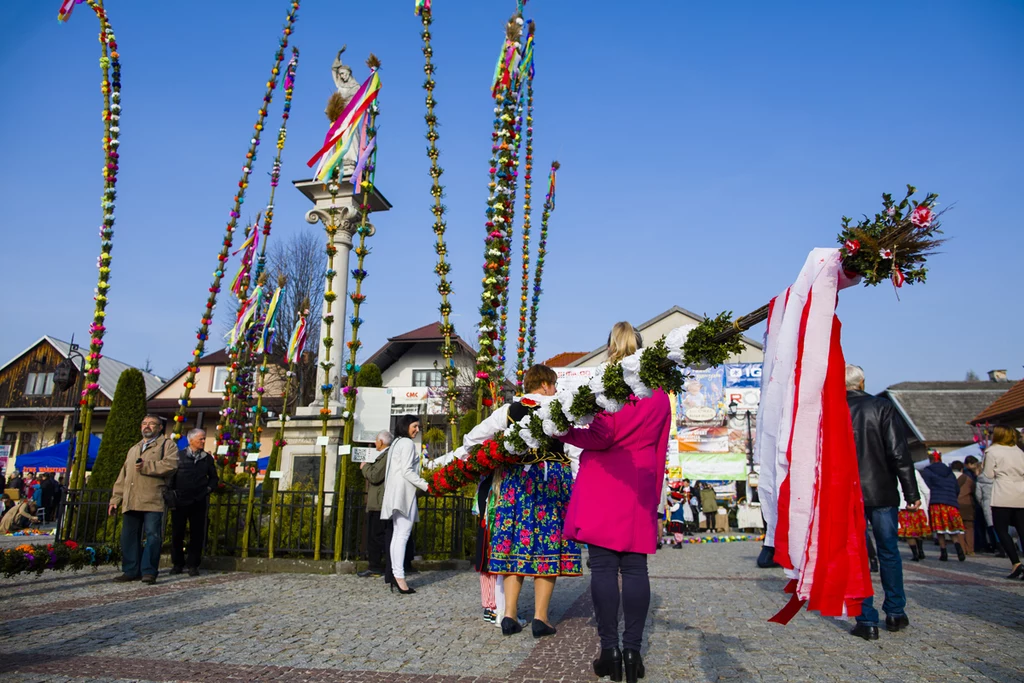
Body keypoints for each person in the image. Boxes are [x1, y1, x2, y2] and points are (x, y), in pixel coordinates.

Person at [559, 321, 672, 683]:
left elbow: (602, 436)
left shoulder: (608, 387)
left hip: (604, 483)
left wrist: (565, 431)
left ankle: (608, 650)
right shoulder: (658, 395)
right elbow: (660, 449)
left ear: (611, 350)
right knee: (636, 569)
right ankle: (633, 652)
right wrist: (653, 499)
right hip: (640, 484)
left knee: (604, 568)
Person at [486, 364, 582, 637]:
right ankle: (540, 618)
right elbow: (574, 452)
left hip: (517, 483)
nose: (555, 390)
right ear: (544, 386)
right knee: (547, 544)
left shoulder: (511, 410)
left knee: (514, 542)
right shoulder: (560, 410)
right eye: (553, 386)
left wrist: (456, 459)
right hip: (552, 479)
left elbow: (480, 434)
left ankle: (509, 615)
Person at [845, 364, 920, 640]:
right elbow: (899, 454)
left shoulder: (830, 411)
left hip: (847, 494)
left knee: (857, 556)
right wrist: (911, 493)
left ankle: (866, 619)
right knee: (889, 551)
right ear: (862, 382)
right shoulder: (882, 407)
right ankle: (895, 612)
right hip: (882, 490)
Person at [108, 415, 179, 584]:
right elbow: (123, 475)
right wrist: (115, 499)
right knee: (128, 537)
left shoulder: (167, 445)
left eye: (151, 424)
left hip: (152, 499)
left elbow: (171, 465)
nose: (147, 426)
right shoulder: (134, 448)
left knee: (153, 536)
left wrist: (146, 467)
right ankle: (131, 570)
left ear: (160, 427)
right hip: (131, 499)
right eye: (144, 423)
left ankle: (148, 571)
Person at [380, 414, 427, 594]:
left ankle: (395, 575)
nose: (417, 429)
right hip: (403, 494)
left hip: (394, 493)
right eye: (414, 426)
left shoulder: (396, 443)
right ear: (406, 425)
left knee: (397, 535)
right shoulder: (407, 443)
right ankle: (399, 577)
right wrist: (426, 485)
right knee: (402, 536)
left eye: (417, 426)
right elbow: (407, 471)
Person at [169, 428, 218, 577]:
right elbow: (171, 477)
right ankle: (177, 563)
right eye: (200, 439)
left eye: (204, 439)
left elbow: (214, 478)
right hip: (180, 499)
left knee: (197, 533)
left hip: (198, 500)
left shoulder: (207, 458)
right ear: (191, 440)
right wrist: (171, 494)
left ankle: (193, 564)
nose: (203, 441)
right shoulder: (179, 456)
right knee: (178, 532)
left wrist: (208, 489)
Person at [980, 425, 1024, 580]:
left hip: (1003, 494)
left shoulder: (993, 451)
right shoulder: (1019, 451)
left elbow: (988, 475)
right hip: (1021, 493)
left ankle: (1016, 563)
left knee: (1002, 529)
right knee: (1022, 529)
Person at [921, 452, 967, 562]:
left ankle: (944, 552)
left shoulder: (928, 471)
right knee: (952, 528)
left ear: (930, 460)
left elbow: (926, 487)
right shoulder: (949, 472)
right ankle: (958, 547)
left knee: (940, 529)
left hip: (936, 502)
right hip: (950, 502)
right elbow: (956, 488)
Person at [358, 430, 392, 579]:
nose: (374, 443)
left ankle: (376, 566)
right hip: (377, 501)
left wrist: (364, 467)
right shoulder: (384, 455)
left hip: (379, 502)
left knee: (376, 536)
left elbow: (375, 476)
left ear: (381, 442)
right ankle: (377, 565)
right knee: (376, 535)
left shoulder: (386, 456)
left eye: (376, 440)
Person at [897, 468, 930, 561]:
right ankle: (921, 550)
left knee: (909, 533)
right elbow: (926, 491)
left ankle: (915, 554)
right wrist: (925, 505)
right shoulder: (915, 472)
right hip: (918, 505)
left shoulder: (895, 473)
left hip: (903, 506)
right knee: (918, 530)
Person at [974, 458, 1004, 558]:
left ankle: (998, 547)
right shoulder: (998, 477)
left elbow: (978, 495)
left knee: (992, 526)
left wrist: (982, 503)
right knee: (1002, 525)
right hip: (1000, 501)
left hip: (987, 503)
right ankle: (1005, 546)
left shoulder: (980, 479)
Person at [952, 461, 976, 555]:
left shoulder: (950, 479)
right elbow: (974, 491)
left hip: (955, 505)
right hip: (967, 505)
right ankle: (970, 549)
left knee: (959, 528)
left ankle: (961, 548)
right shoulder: (968, 479)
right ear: (962, 469)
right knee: (969, 528)